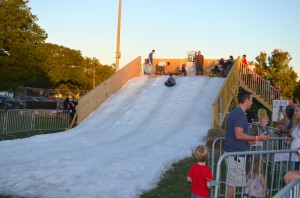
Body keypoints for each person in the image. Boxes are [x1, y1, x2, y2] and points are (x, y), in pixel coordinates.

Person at [224, 90, 270, 198]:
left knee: (232, 183)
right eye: (251, 100)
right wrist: (258, 137)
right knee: (232, 184)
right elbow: (238, 135)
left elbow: (239, 135)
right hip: (235, 155)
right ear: (246, 100)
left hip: (233, 154)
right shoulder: (240, 114)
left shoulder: (236, 112)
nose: (252, 102)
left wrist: (250, 140)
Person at [284, 104, 300, 170]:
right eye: (294, 111)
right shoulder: (296, 124)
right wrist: (290, 141)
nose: (294, 112)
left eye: (297, 111)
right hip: (295, 155)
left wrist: (298, 150)